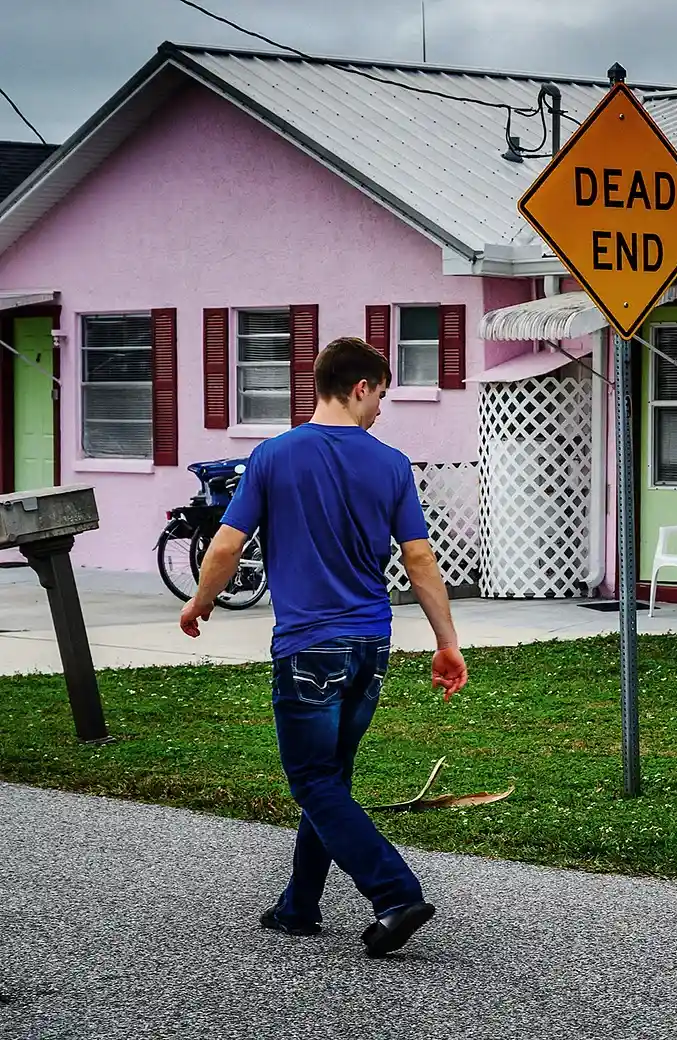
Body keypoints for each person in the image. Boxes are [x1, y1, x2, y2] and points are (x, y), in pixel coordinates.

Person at [179, 335, 468, 958]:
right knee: (329, 776)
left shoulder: (275, 456)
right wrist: (447, 643)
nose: (381, 409)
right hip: (370, 645)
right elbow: (418, 556)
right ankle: (299, 906)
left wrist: (201, 601)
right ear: (359, 387)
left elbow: (227, 544)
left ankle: (394, 892)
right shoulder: (390, 463)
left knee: (313, 780)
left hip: (310, 646)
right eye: (381, 395)